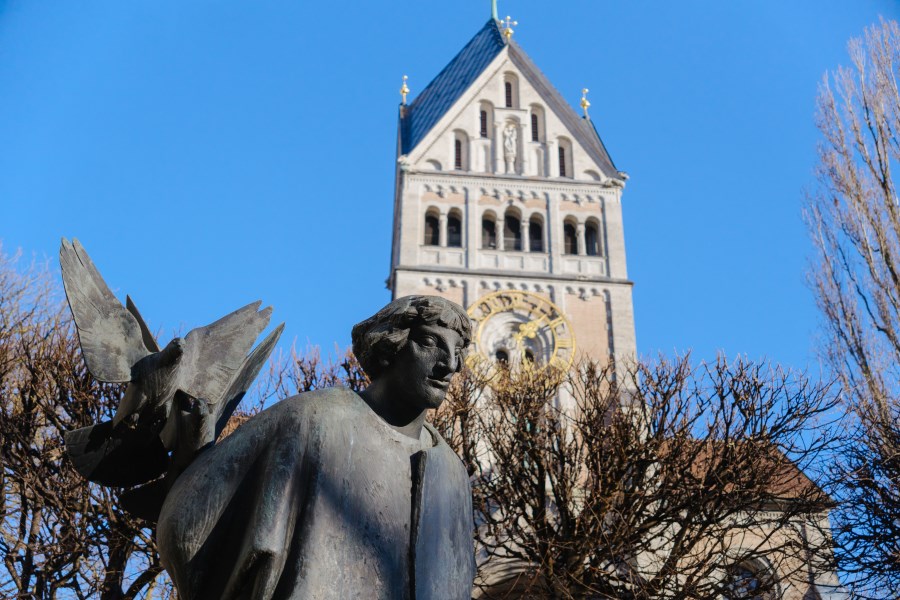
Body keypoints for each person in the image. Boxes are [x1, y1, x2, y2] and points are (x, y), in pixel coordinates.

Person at [156, 296, 475, 600]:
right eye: (430, 343)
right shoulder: (311, 419)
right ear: (390, 347)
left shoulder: (452, 473)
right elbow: (187, 527)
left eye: (458, 350)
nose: (450, 365)